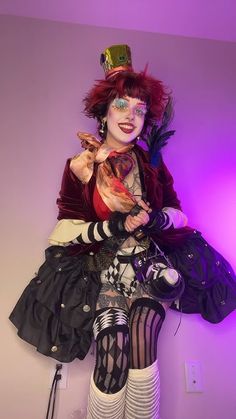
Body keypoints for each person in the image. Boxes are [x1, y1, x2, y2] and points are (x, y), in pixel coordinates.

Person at [9, 45, 236, 419]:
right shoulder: (80, 165)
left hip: (148, 266)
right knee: (113, 348)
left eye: (139, 109)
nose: (130, 116)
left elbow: (179, 213)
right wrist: (116, 224)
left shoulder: (153, 167)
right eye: (121, 105)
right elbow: (65, 227)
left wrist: (156, 219)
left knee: (144, 336)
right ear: (103, 111)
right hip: (102, 271)